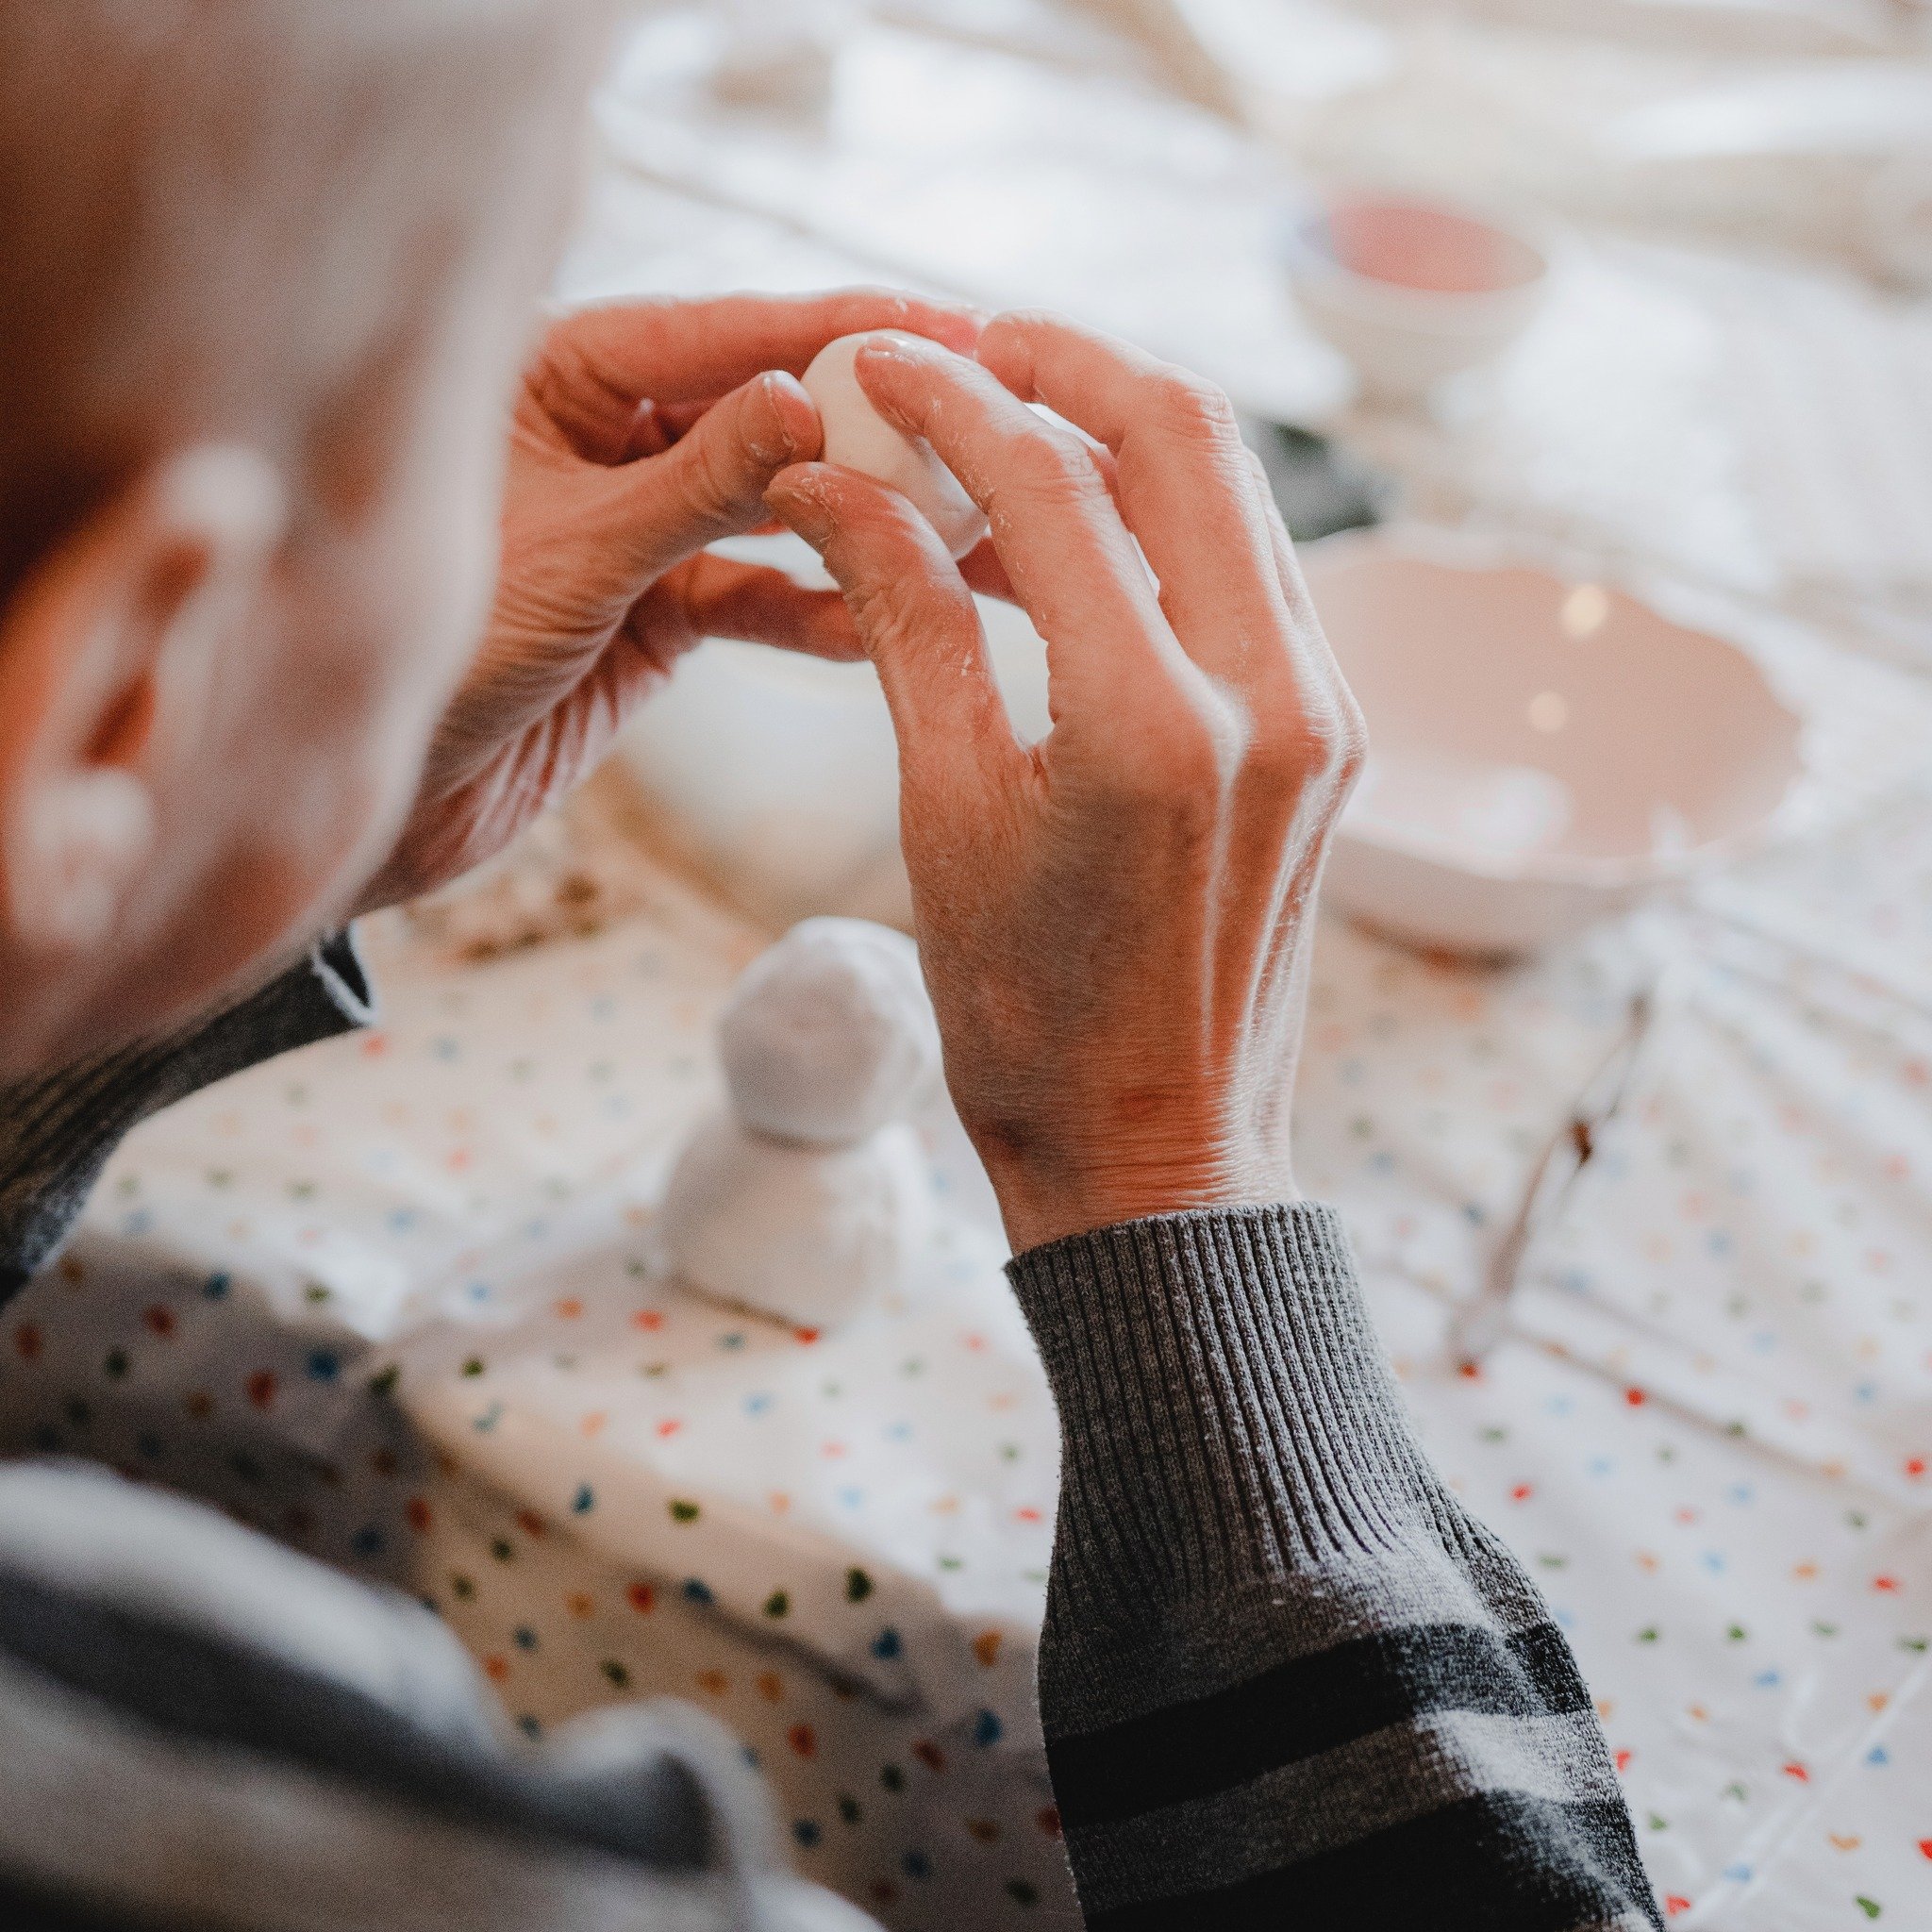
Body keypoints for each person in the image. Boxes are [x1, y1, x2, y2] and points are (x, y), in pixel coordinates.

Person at [0, 3, 1664, 1929]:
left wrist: (204, 831)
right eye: (457, 391)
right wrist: (1171, 1175)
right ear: (126, 678)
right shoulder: (311, 1824)